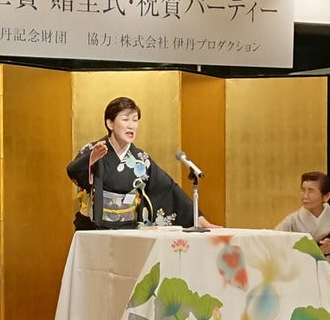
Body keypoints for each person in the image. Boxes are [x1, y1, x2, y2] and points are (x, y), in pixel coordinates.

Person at [67, 96, 217, 230]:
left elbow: (167, 189)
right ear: (110, 123)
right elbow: (73, 172)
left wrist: (197, 218)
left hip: (128, 228)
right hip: (93, 228)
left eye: (135, 120)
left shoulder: (141, 159)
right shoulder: (93, 150)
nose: (131, 125)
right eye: (125, 119)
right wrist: (92, 159)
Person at [274, 171, 330, 308]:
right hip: (302, 269)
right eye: (303, 190)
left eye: (311, 191)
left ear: (326, 196)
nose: (305, 196)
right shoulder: (292, 220)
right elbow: (275, 241)